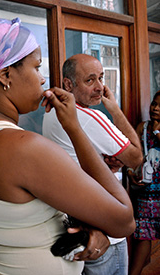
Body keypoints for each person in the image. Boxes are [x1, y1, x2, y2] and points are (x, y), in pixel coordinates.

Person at [0, 17, 135, 275]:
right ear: (4, 74)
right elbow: (124, 220)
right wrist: (75, 129)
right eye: (36, 67)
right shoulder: (23, 148)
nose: (43, 80)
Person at [42, 53, 143, 275]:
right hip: (107, 235)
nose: (100, 87)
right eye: (90, 80)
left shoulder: (52, 113)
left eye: (101, 78)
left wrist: (104, 162)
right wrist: (114, 108)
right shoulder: (89, 117)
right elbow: (136, 158)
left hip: (80, 226)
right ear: (68, 84)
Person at [129, 90, 160, 275]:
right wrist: (132, 172)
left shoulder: (154, 131)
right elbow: (134, 155)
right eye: (154, 104)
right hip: (147, 193)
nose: (155, 108)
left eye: (159, 105)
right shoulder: (143, 127)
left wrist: (158, 133)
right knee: (143, 236)